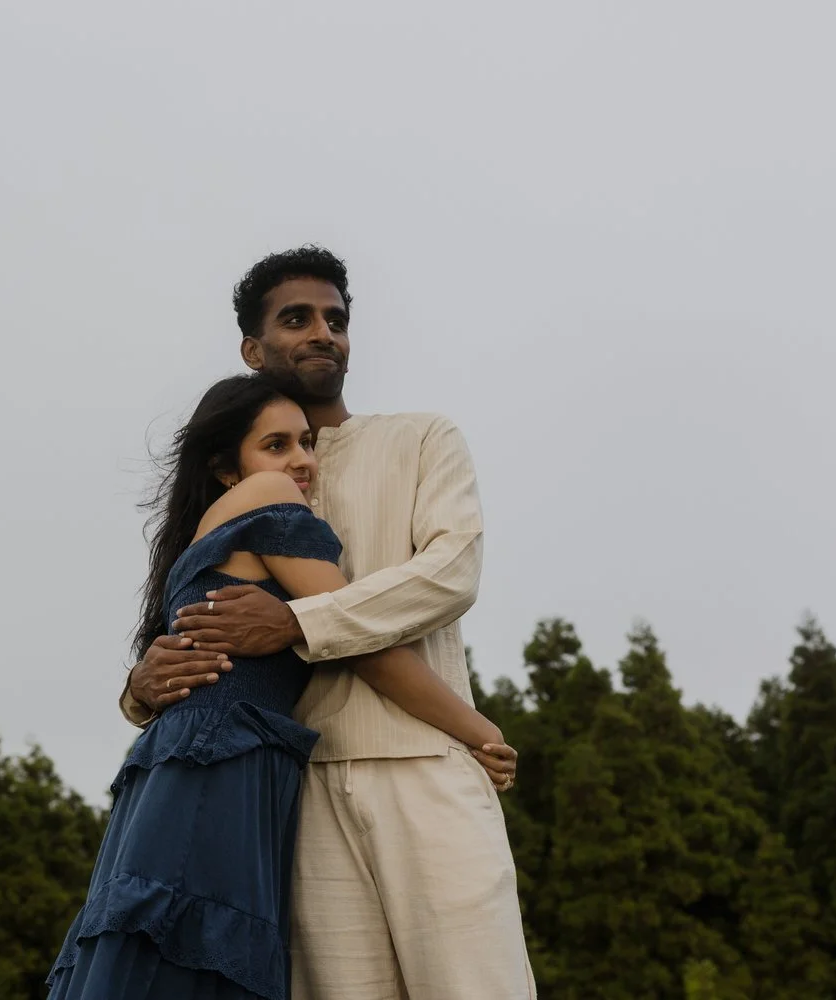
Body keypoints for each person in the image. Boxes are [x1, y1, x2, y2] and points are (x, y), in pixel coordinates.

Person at [122, 246, 537, 998]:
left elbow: (450, 574)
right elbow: (201, 612)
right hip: (295, 789)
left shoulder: (421, 438)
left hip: (422, 759)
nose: (324, 334)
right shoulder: (245, 479)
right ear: (253, 348)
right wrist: (141, 686)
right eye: (297, 319)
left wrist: (301, 623)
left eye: (337, 321)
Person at [48, 374, 515, 1000]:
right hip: (223, 764)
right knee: (193, 957)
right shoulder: (268, 497)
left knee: (183, 961)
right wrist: (478, 730)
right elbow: (363, 643)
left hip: (204, 761)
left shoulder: (203, 534)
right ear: (226, 468)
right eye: (275, 445)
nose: (299, 461)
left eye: (305, 442)